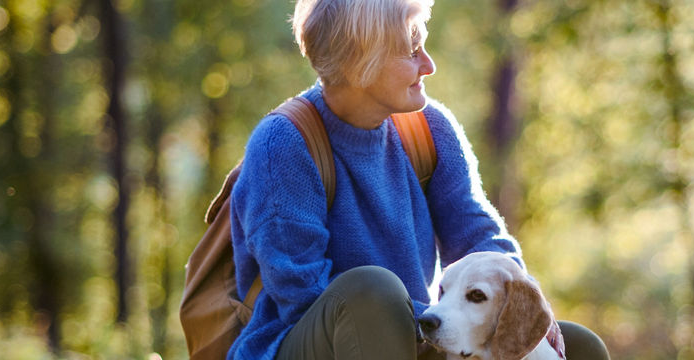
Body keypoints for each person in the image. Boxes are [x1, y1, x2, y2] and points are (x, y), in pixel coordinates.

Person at [228, 0, 610, 358]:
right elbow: (301, 292)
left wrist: (524, 307)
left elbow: (479, 237)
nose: (428, 65)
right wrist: (429, 322)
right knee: (373, 291)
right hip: (305, 343)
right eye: (412, 51)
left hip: (416, 332)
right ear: (362, 58)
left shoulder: (431, 129)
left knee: (578, 346)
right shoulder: (284, 143)